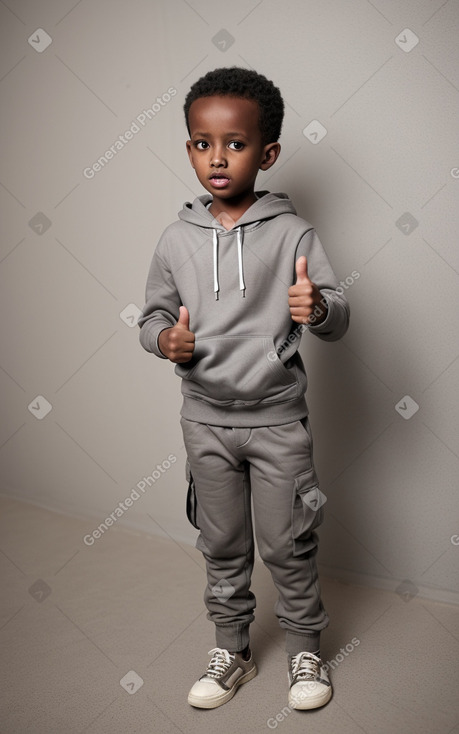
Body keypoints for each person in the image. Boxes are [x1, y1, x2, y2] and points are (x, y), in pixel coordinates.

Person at [138, 66, 350, 711]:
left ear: (268, 152)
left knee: (288, 543)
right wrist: (161, 341)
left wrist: (315, 308)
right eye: (203, 143)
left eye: (234, 143)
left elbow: (338, 317)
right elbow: (151, 317)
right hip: (205, 422)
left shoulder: (294, 234)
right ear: (189, 149)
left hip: (279, 421)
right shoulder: (175, 238)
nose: (217, 157)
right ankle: (231, 652)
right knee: (222, 544)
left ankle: (305, 652)